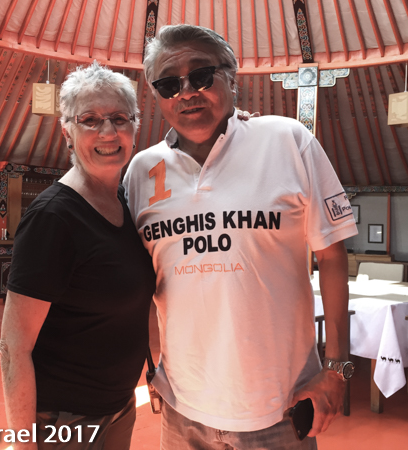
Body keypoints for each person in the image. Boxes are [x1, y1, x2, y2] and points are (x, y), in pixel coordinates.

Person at [123, 24, 358, 449]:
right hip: (181, 409)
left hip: (281, 407)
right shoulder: (141, 171)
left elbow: (332, 255)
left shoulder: (288, 141)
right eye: (169, 84)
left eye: (201, 76)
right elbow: (137, 280)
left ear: (232, 79)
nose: (187, 92)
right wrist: (149, 367)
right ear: (157, 96)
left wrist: (337, 368)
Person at [0, 62, 156, 450]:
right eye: (90, 120)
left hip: (118, 409)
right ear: (67, 131)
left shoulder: (127, 202)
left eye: (119, 118)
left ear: (135, 127)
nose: (108, 132)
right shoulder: (54, 218)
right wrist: (23, 444)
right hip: (66, 422)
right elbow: (12, 348)